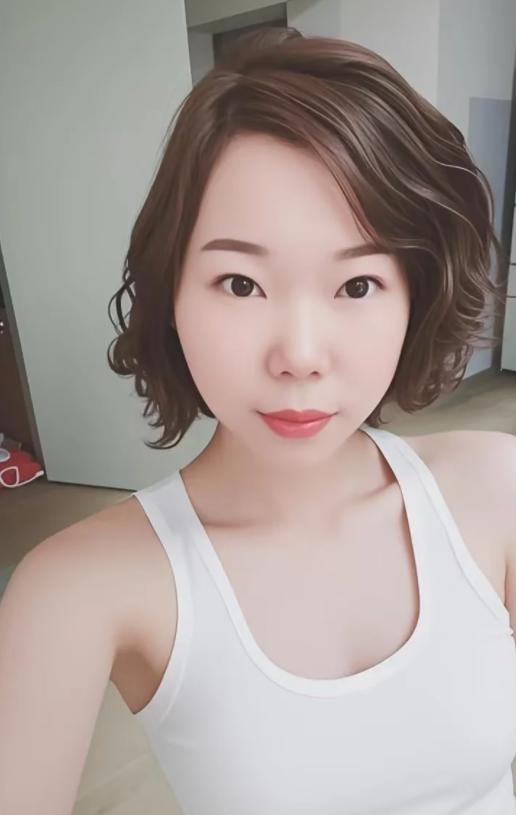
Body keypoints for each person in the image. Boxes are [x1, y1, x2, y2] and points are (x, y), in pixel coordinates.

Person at [1, 26, 516, 815]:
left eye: (356, 285)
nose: (300, 355)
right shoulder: (78, 588)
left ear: (414, 296)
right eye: (241, 284)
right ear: (172, 295)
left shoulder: (497, 487)